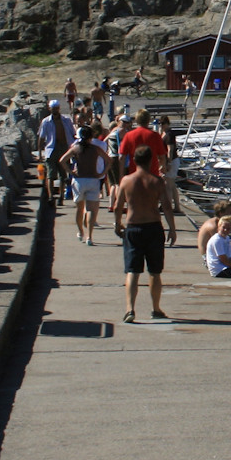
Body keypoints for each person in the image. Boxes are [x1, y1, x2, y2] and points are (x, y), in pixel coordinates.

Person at [112, 145, 175, 322]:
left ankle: (130, 309)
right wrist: (172, 228)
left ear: (134, 160)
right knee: (154, 272)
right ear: (151, 160)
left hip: (133, 227)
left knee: (132, 271)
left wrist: (117, 224)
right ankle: (155, 308)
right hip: (153, 227)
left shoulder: (126, 181)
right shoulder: (157, 181)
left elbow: (118, 206)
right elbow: (167, 206)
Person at [62, 126, 110, 246]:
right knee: (90, 210)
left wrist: (71, 171)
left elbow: (62, 160)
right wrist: (103, 173)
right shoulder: (96, 149)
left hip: (79, 180)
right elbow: (109, 160)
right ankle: (90, 236)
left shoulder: (75, 148)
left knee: (79, 209)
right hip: (93, 179)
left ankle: (80, 231)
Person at [37, 100, 75, 198]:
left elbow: (73, 134)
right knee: (50, 174)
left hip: (64, 148)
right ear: (50, 109)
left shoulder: (66, 120)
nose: (55, 110)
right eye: (53, 109)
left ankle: (61, 196)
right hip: (51, 149)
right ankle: (51, 196)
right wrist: (40, 154)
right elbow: (41, 138)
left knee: (63, 174)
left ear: (59, 108)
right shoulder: (46, 122)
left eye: (56, 108)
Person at [199, 212, 231, 278]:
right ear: (219, 227)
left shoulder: (226, 238)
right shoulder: (217, 240)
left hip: (225, 266)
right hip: (219, 270)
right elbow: (224, 260)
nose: (225, 230)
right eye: (223, 227)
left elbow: (229, 256)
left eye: (228, 229)